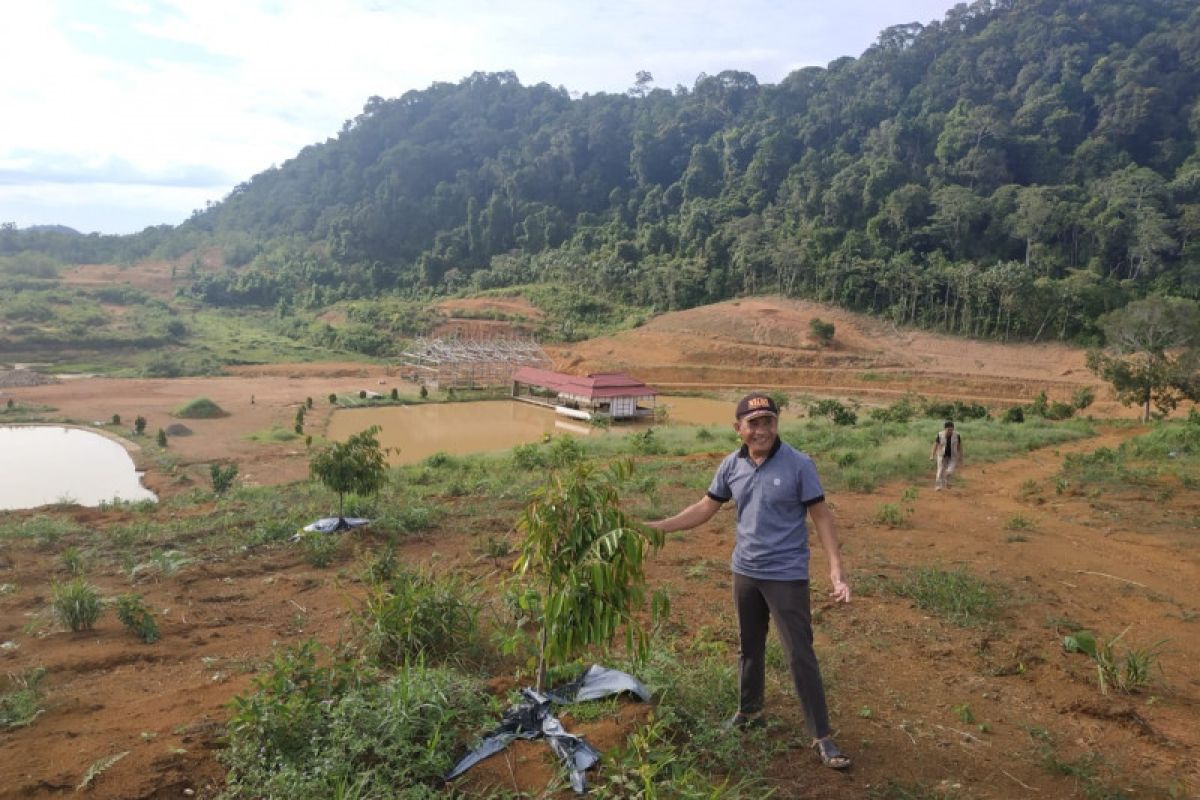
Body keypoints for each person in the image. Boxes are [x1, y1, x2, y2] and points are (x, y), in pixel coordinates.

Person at [647, 392, 852, 770]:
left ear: (776, 425)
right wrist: (657, 528)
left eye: (768, 422)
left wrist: (835, 567)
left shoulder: (799, 464)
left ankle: (822, 736)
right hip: (745, 572)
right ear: (738, 428)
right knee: (749, 647)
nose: (762, 430)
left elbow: (822, 516)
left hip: (786, 576)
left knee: (799, 654)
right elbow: (705, 507)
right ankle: (749, 711)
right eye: (753, 423)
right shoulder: (731, 465)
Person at [930, 420, 963, 490]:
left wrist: (960, 455)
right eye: (948, 429)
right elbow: (935, 445)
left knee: (950, 471)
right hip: (942, 455)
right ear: (945, 429)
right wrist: (932, 455)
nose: (950, 431)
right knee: (940, 470)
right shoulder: (940, 435)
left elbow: (959, 446)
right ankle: (938, 486)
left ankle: (948, 482)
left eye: (951, 429)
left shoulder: (957, 435)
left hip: (953, 456)